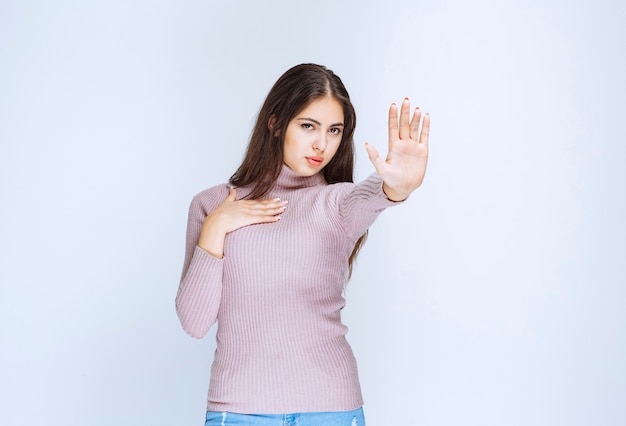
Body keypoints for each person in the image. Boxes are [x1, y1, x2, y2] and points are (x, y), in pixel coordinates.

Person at [175, 63, 430, 426]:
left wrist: (398, 187)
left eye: (334, 131)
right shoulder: (210, 204)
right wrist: (217, 225)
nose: (321, 144)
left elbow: (370, 196)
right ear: (275, 124)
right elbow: (194, 322)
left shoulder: (336, 203)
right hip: (239, 411)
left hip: (331, 408)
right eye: (308, 126)